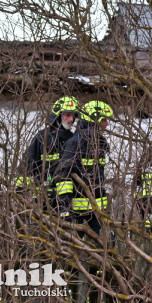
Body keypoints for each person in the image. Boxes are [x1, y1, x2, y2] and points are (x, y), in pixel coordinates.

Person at [52, 100, 114, 237]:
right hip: (77, 212)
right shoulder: (75, 143)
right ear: (94, 120)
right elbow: (63, 176)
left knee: (109, 241)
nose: (107, 124)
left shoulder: (100, 143)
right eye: (103, 120)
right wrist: (65, 208)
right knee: (75, 248)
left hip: (97, 209)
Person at [15, 96, 79, 205]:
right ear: (58, 116)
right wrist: (20, 191)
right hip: (41, 198)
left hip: (65, 201)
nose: (71, 120)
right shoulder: (42, 137)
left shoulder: (73, 139)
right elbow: (26, 164)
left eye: (73, 116)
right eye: (68, 115)